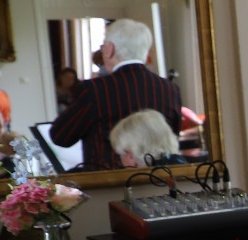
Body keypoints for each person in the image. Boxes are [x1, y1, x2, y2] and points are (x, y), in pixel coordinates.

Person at [50, 18, 181, 169]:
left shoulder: (94, 90)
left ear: (110, 49)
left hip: (110, 179)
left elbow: (60, 136)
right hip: (158, 177)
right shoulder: (170, 88)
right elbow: (172, 136)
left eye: (103, 46)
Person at [109, 109, 183, 167]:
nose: (121, 160)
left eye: (124, 153)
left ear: (133, 154)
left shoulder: (146, 179)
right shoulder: (180, 165)